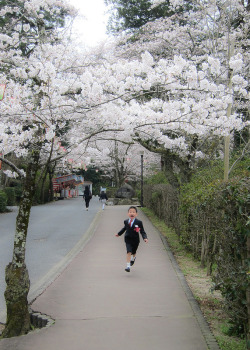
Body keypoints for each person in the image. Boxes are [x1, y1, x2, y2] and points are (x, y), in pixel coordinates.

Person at [115, 206, 148, 272]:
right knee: (129, 251)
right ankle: (128, 266)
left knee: (134, 252)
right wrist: (119, 234)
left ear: (136, 214)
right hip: (128, 239)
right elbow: (124, 228)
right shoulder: (126, 221)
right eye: (130, 212)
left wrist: (145, 238)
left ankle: (133, 259)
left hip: (135, 240)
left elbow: (142, 231)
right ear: (128, 214)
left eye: (133, 212)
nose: (131, 213)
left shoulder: (139, 222)